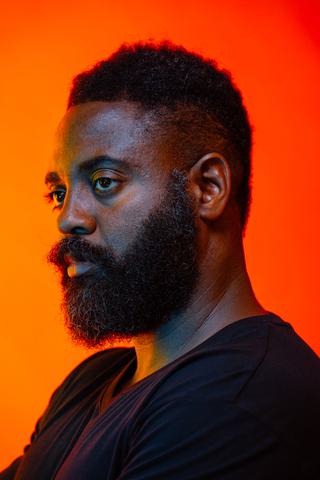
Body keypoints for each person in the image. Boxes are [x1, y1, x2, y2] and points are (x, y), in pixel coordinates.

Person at [1, 41, 319, 480]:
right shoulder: (94, 379)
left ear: (208, 188)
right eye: (59, 193)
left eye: (104, 181)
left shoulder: (241, 398)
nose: (67, 218)